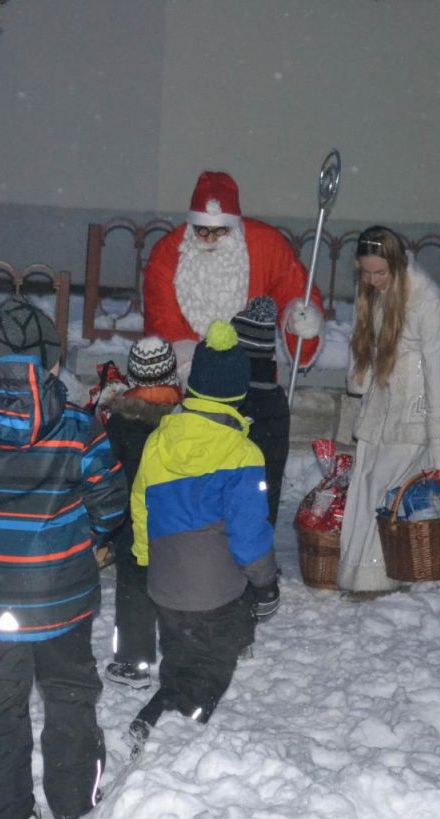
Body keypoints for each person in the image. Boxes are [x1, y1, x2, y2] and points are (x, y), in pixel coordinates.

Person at [0, 297, 128, 819]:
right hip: (63, 595)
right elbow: (110, 504)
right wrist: (82, 539)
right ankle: (73, 805)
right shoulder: (79, 428)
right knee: (69, 694)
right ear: (51, 360)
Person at [142, 171, 324, 542]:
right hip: (193, 385)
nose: (209, 241)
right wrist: (200, 384)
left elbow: (294, 288)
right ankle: (202, 543)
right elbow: (163, 321)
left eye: (220, 232)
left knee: (256, 475)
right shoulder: (167, 253)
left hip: (256, 383)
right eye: (201, 232)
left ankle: (253, 544)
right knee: (202, 476)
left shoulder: (266, 244)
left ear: (235, 226)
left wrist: (299, 317)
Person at [127, 321, 277, 748]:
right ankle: (169, 734)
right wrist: (266, 583)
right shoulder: (243, 454)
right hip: (216, 596)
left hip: (165, 584)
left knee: (181, 657)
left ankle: (161, 715)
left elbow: (140, 505)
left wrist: (146, 558)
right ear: (238, 393)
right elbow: (249, 535)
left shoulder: (159, 440)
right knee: (211, 668)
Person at [338, 226, 440, 594]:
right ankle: (364, 571)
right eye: (366, 272)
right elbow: (367, 346)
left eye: (380, 272)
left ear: (396, 265)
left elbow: (439, 366)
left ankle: (380, 572)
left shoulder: (426, 299)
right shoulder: (372, 292)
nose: (372, 280)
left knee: (385, 489)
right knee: (366, 483)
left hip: (415, 412)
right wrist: (361, 373)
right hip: (380, 409)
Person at [99, 336, 184, 691]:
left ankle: (133, 662)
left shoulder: (120, 423)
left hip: (134, 523)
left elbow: (109, 477)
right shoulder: (184, 421)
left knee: (134, 589)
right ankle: (184, 658)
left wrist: (105, 530)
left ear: (132, 378)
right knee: (181, 589)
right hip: (179, 523)